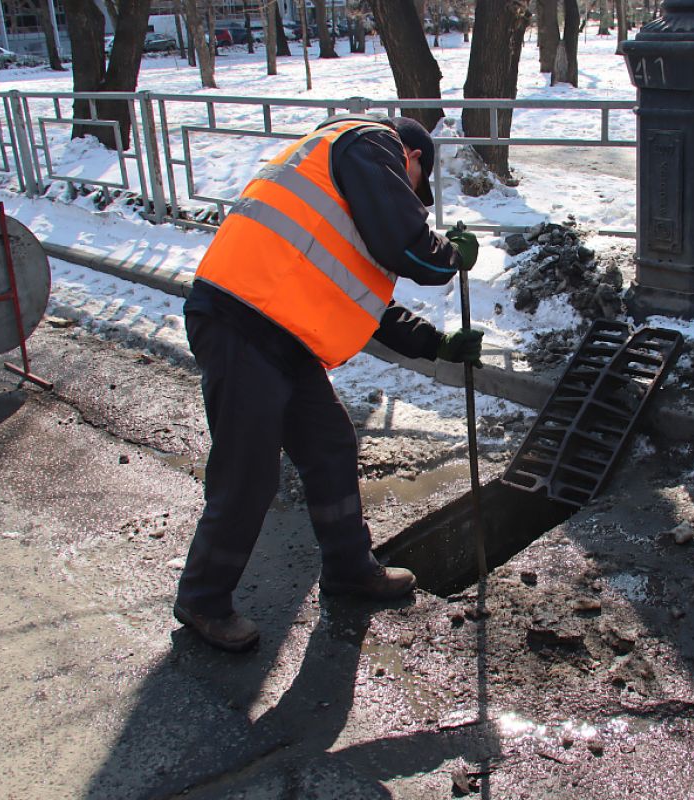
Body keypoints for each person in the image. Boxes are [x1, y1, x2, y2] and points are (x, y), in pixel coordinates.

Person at [174, 114, 483, 652]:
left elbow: (362, 297)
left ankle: (348, 568)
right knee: (247, 471)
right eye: (417, 188)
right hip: (240, 320)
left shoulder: (340, 192)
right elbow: (407, 246)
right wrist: (448, 256)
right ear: (412, 159)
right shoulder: (370, 143)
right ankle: (202, 599)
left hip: (280, 332)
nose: (414, 199)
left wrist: (436, 343)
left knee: (330, 446)